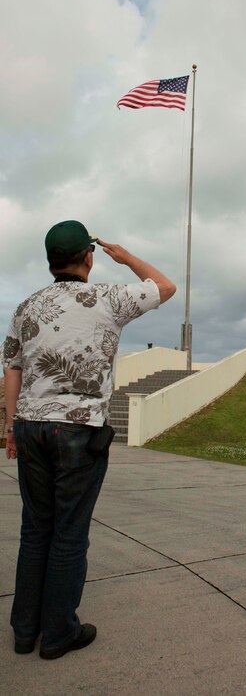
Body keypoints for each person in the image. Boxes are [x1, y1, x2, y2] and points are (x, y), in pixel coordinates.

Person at [2, 220, 176, 660]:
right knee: (69, 533)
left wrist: (9, 428)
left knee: (35, 528)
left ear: (50, 261)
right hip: (78, 430)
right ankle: (59, 632)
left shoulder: (25, 307)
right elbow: (165, 286)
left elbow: (13, 370)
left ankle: (25, 631)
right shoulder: (108, 298)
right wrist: (126, 256)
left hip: (30, 425)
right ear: (88, 256)